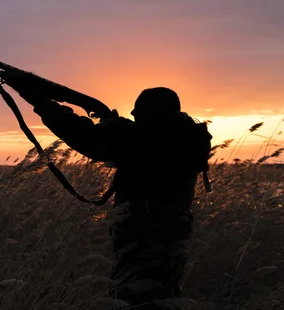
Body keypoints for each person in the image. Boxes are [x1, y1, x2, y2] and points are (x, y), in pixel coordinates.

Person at [17, 87, 212, 308]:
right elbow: (134, 136)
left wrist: (42, 103)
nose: (133, 116)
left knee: (135, 298)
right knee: (161, 297)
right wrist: (112, 121)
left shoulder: (150, 140)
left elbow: (84, 135)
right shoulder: (183, 135)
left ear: (151, 115)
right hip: (168, 240)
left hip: (145, 241)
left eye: (138, 113)